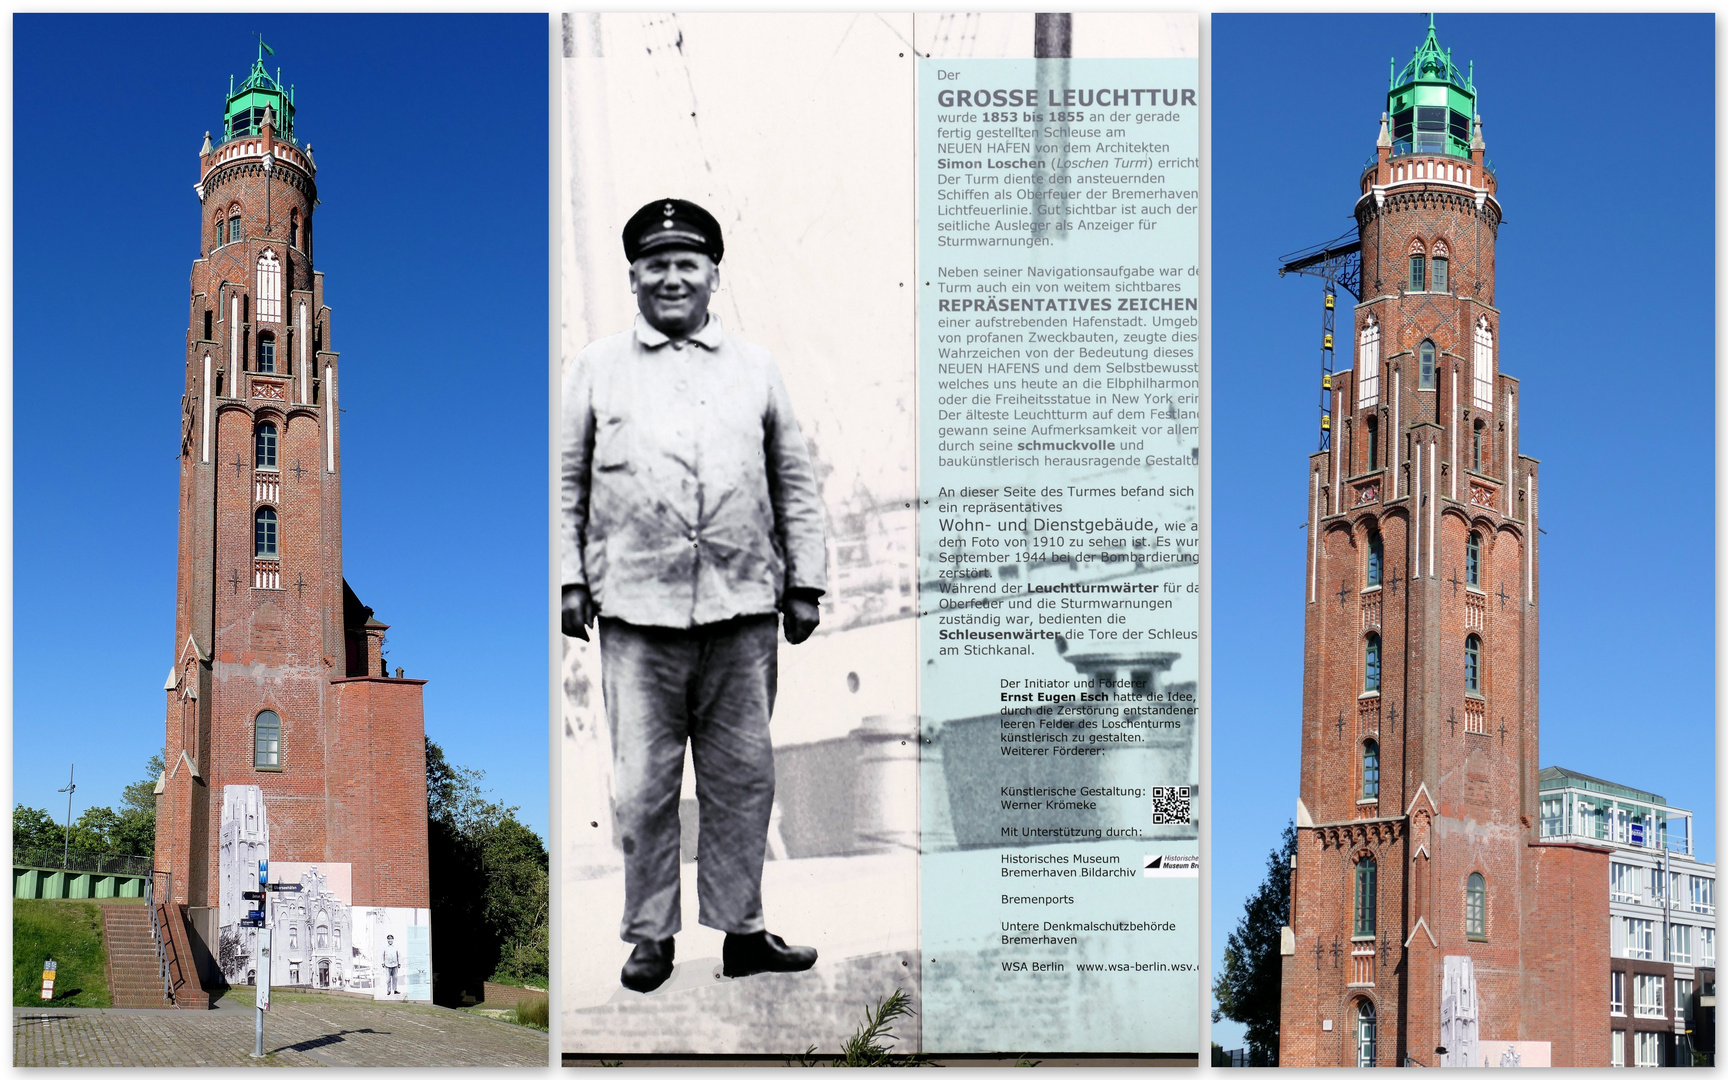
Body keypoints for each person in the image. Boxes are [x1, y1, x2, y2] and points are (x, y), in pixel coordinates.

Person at [562, 198, 827, 994]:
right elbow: (567, 479)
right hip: (637, 616)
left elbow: (795, 482)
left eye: (687, 264)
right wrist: (572, 578)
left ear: (712, 274)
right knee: (642, 789)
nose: (671, 277)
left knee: (743, 781)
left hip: (743, 608)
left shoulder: (756, 368)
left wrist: (805, 581)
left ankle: (743, 933)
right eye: (656, 265)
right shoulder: (597, 367)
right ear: (635, 277)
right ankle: (651, 937)